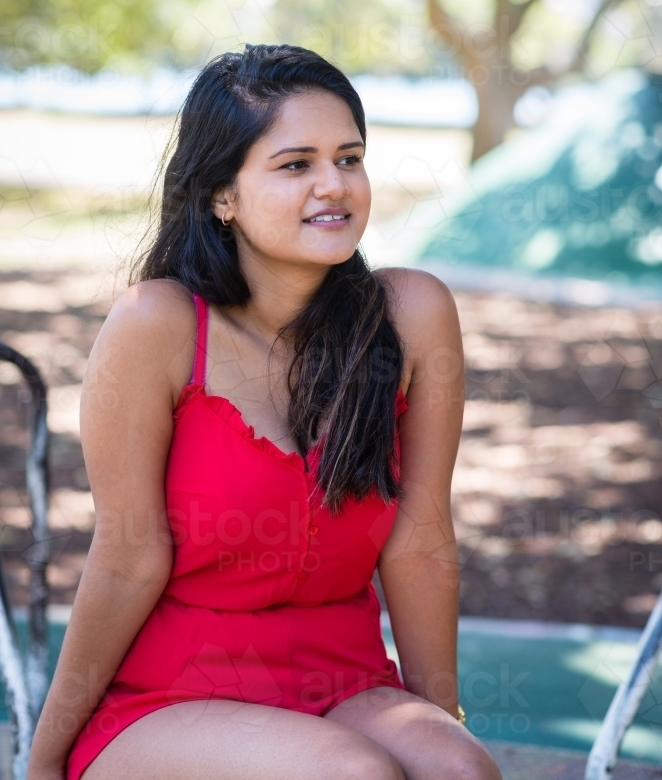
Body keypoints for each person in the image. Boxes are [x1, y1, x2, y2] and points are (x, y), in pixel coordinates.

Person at [27, 44, 501, 780]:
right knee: (351, 774)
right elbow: (126, 556)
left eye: (349, 158)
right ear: (223, 193)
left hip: (344, 678)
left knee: (460, 771)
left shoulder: (410, 313)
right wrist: (48, 755)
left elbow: (420, 538)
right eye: (295, 164)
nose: (333, 185)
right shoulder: (158, 325)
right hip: (169, 693)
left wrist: (437, 718)